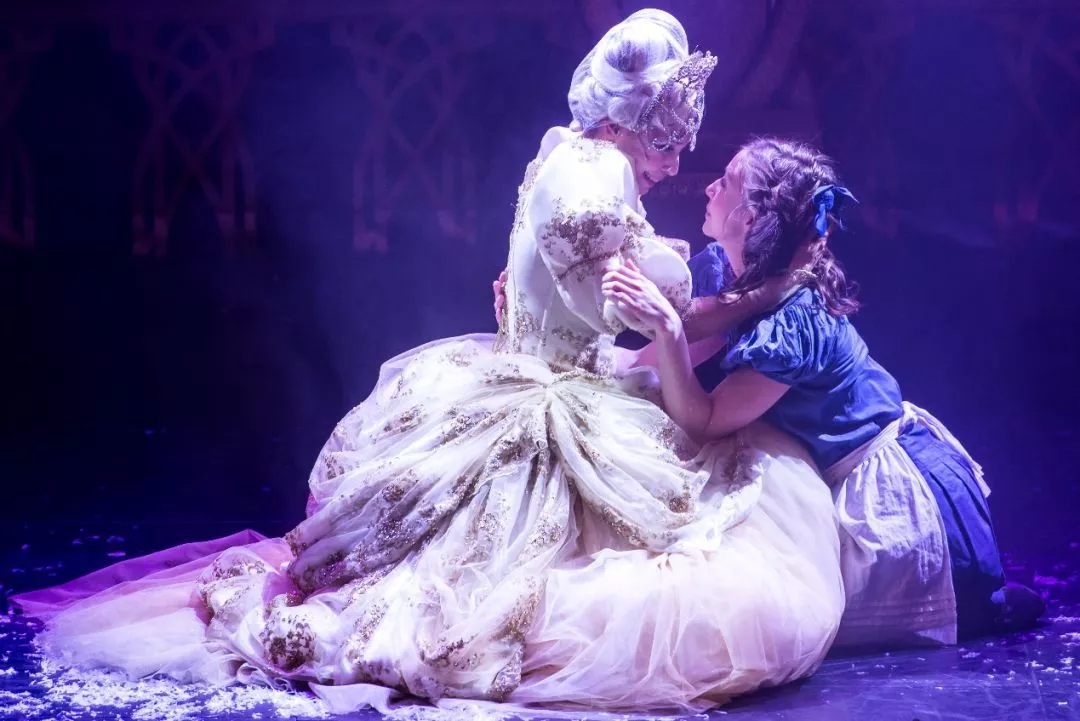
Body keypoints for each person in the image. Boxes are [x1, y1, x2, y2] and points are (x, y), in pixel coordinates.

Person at [13, 13, 844, 715]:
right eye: (669, 138)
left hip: (560, 372)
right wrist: (748, 292)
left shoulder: (573, 154)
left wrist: (739, 297)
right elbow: (655, 314)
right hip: (553, 395)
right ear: (638, 119)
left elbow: (610, 303)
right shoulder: (597, 179)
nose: (675, 162)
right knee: (526, 579)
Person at [602, 136, 1045, 648]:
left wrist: (668, 330)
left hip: (881, 487)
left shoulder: (797, 321)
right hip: (813, 467)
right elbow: (670, 349)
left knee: (791, 618)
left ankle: (983, 601)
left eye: (725, 182)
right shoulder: (735, 272)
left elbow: (701, 419)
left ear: (749, 217)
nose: (709, 187)